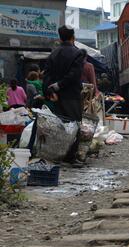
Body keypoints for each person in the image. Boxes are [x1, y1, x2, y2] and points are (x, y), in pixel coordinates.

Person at [43, 25, 84, 165]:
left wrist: (50, 92)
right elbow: (74, 74)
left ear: (60, 38)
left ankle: (59, 154)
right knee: (74, 125)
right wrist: (59, 85)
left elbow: (46, 75)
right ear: (73, 37)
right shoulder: (78, 53)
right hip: (71, 95)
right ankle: (71, 157)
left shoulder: (53, 54)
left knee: (60, 125)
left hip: (56, 97)